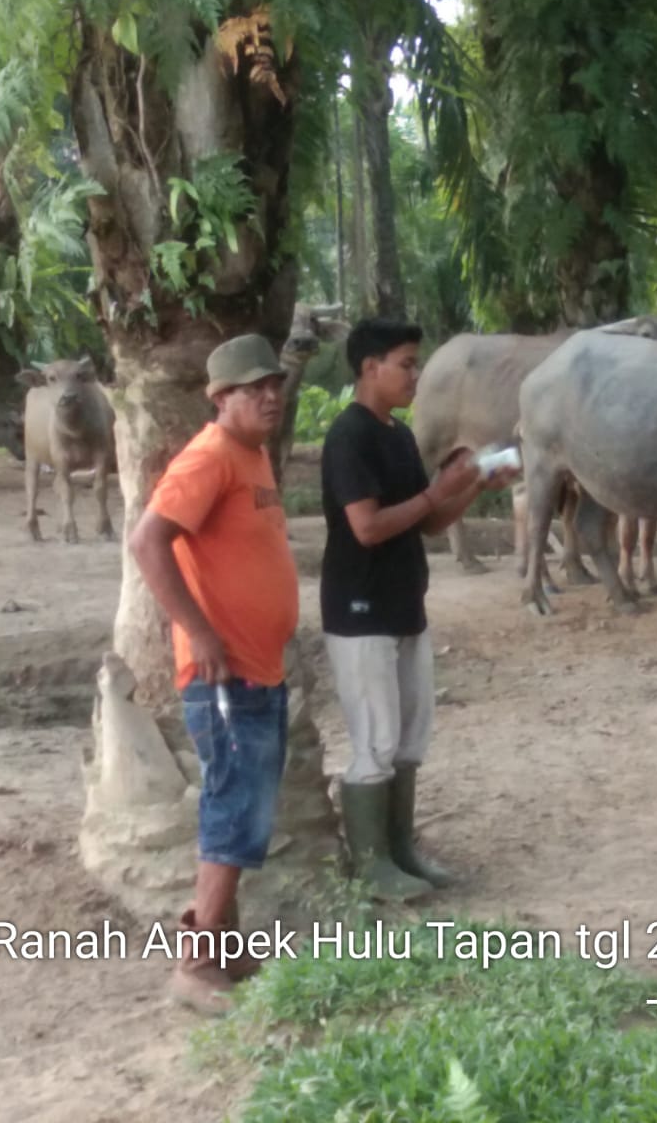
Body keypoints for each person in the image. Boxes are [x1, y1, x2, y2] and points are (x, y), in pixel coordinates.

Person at [127, 332, 299, 1015]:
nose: (270, 396)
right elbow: (146, 541)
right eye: (254, 387)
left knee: (246, 803)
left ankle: (225, 946)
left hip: (259, 669)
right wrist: (199, 631)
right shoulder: (209, 457)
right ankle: (196, 964)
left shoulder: (251, 457)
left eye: (275, 385)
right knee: (232, 807)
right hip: (223, 675)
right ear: (220, 397)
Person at [320, 316, 519, 902]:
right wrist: (440, 490)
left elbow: (427, 523)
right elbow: (368, 526)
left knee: (408, 737)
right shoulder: (348, 436)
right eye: (406, 363)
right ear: (369, 367)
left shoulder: (398, 437)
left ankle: (400, 849)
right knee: (375, 739)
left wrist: (471, 489)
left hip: (404, 604)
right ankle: (373, 862)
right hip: (360, 610)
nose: (415, 375)